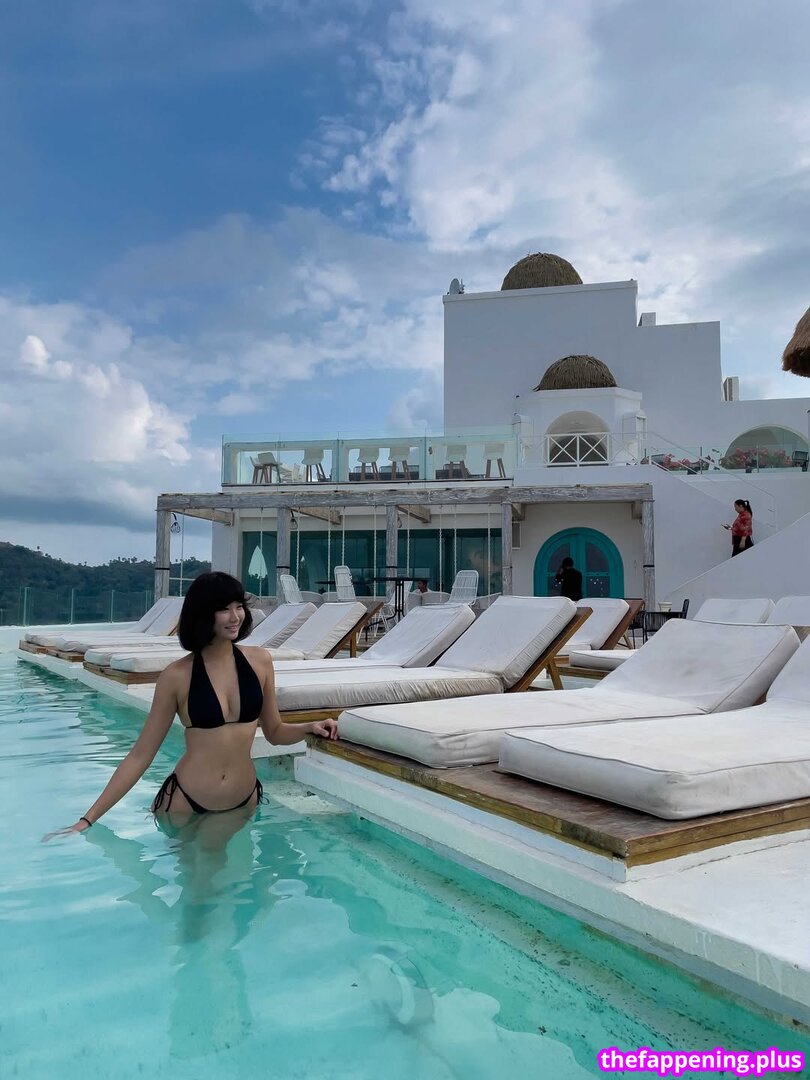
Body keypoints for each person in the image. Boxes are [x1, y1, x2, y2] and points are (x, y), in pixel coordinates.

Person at [45, 572, 338, 838]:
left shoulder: (260, 661)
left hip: (243, 801)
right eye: (223, 609)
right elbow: (140, 756)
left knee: (242, 881)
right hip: (187, 806)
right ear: (203, 614)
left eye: (238, 606)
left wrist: (309, 727)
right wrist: (88, 819)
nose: (235, 616)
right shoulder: (177, 676)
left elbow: (274, 731)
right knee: (200, 883)